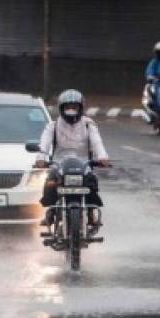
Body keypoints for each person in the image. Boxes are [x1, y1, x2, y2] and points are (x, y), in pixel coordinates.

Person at [38, 89, 111, 234]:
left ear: (81, 108)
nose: (71, 110)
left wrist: (103, 157)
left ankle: (91, 212)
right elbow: (44, 143)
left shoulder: (88, 125)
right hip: (59, 163)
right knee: (50, 183)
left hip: (83, 164)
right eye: (68, 107)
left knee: (92, 181)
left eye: (74, 107)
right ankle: (51, 212)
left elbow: (97, 142)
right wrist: (40, 158)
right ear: (61, 108)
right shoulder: (52, 126)